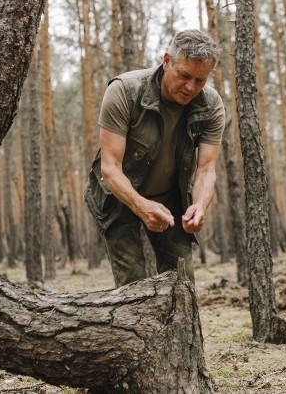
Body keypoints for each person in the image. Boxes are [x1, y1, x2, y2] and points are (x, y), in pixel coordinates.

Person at [84, 29, 225, 287]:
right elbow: (110, 168)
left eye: (200, 80)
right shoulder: (124, 91)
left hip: (170, 198)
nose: (190, 87)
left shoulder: (211, 106)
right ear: (167, 60)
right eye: (184, 76)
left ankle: (181, 329)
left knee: (181, 282)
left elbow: (206, 169)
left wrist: (200, 206)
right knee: (133, 284)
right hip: (118, 195)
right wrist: (140, 205)